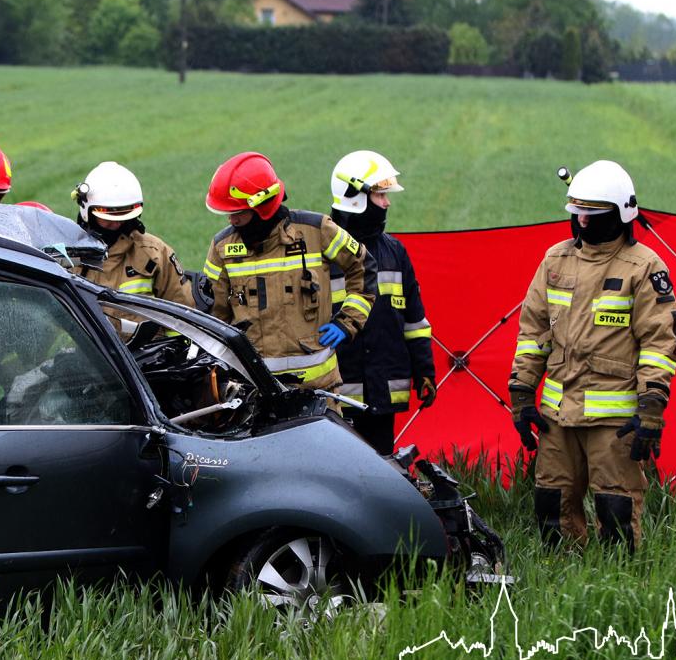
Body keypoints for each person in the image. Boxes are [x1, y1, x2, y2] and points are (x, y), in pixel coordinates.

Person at [509, 160, 676, 552]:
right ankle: (560, 576)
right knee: (551, 504)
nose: (583, 221)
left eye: (593, 213)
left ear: (621, 214)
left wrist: (651, 409)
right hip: (557, 416)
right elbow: (533, 332)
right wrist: (521, 393)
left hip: (613, 421)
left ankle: (619, 581)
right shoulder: (555, 261)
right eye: (577, 212)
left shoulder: (644, 267)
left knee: (616, 509)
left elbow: (659, 342)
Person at [202, 152, 376, 393]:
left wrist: (347, 322)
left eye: (238, 211)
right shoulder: (222, 247)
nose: (232, 220)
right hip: (255, 393)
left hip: (318, 391)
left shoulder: (317, 231)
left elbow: (364, 268)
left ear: (262, 205)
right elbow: (213, 313)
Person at [328, 151, 436, 454]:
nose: (387, 203)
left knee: (382, 468)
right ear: (354, 197)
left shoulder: (395, 252)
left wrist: (424, 370)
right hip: (339, 396)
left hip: (382, 391)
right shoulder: (323, 255)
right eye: (380, 195)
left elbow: (414, 320)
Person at [72, 161, 192, 306]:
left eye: (124, 215)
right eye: (108, 216)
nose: (116, 223)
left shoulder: (154, 253)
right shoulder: (68, 255)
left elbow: (183, 307)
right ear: (87, 212)